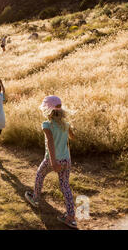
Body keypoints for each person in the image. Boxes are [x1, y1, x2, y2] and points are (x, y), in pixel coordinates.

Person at [24, 96, 78, 229]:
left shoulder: (47, 125)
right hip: (66, 160)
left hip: (53, 159)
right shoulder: (66, 124)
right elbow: (73, 137)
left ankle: (36, 198)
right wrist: (67, 129)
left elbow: (50, 142)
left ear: (47, 110)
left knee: (40, 174)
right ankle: (71, 217)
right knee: (65, 186)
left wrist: (53, 162)